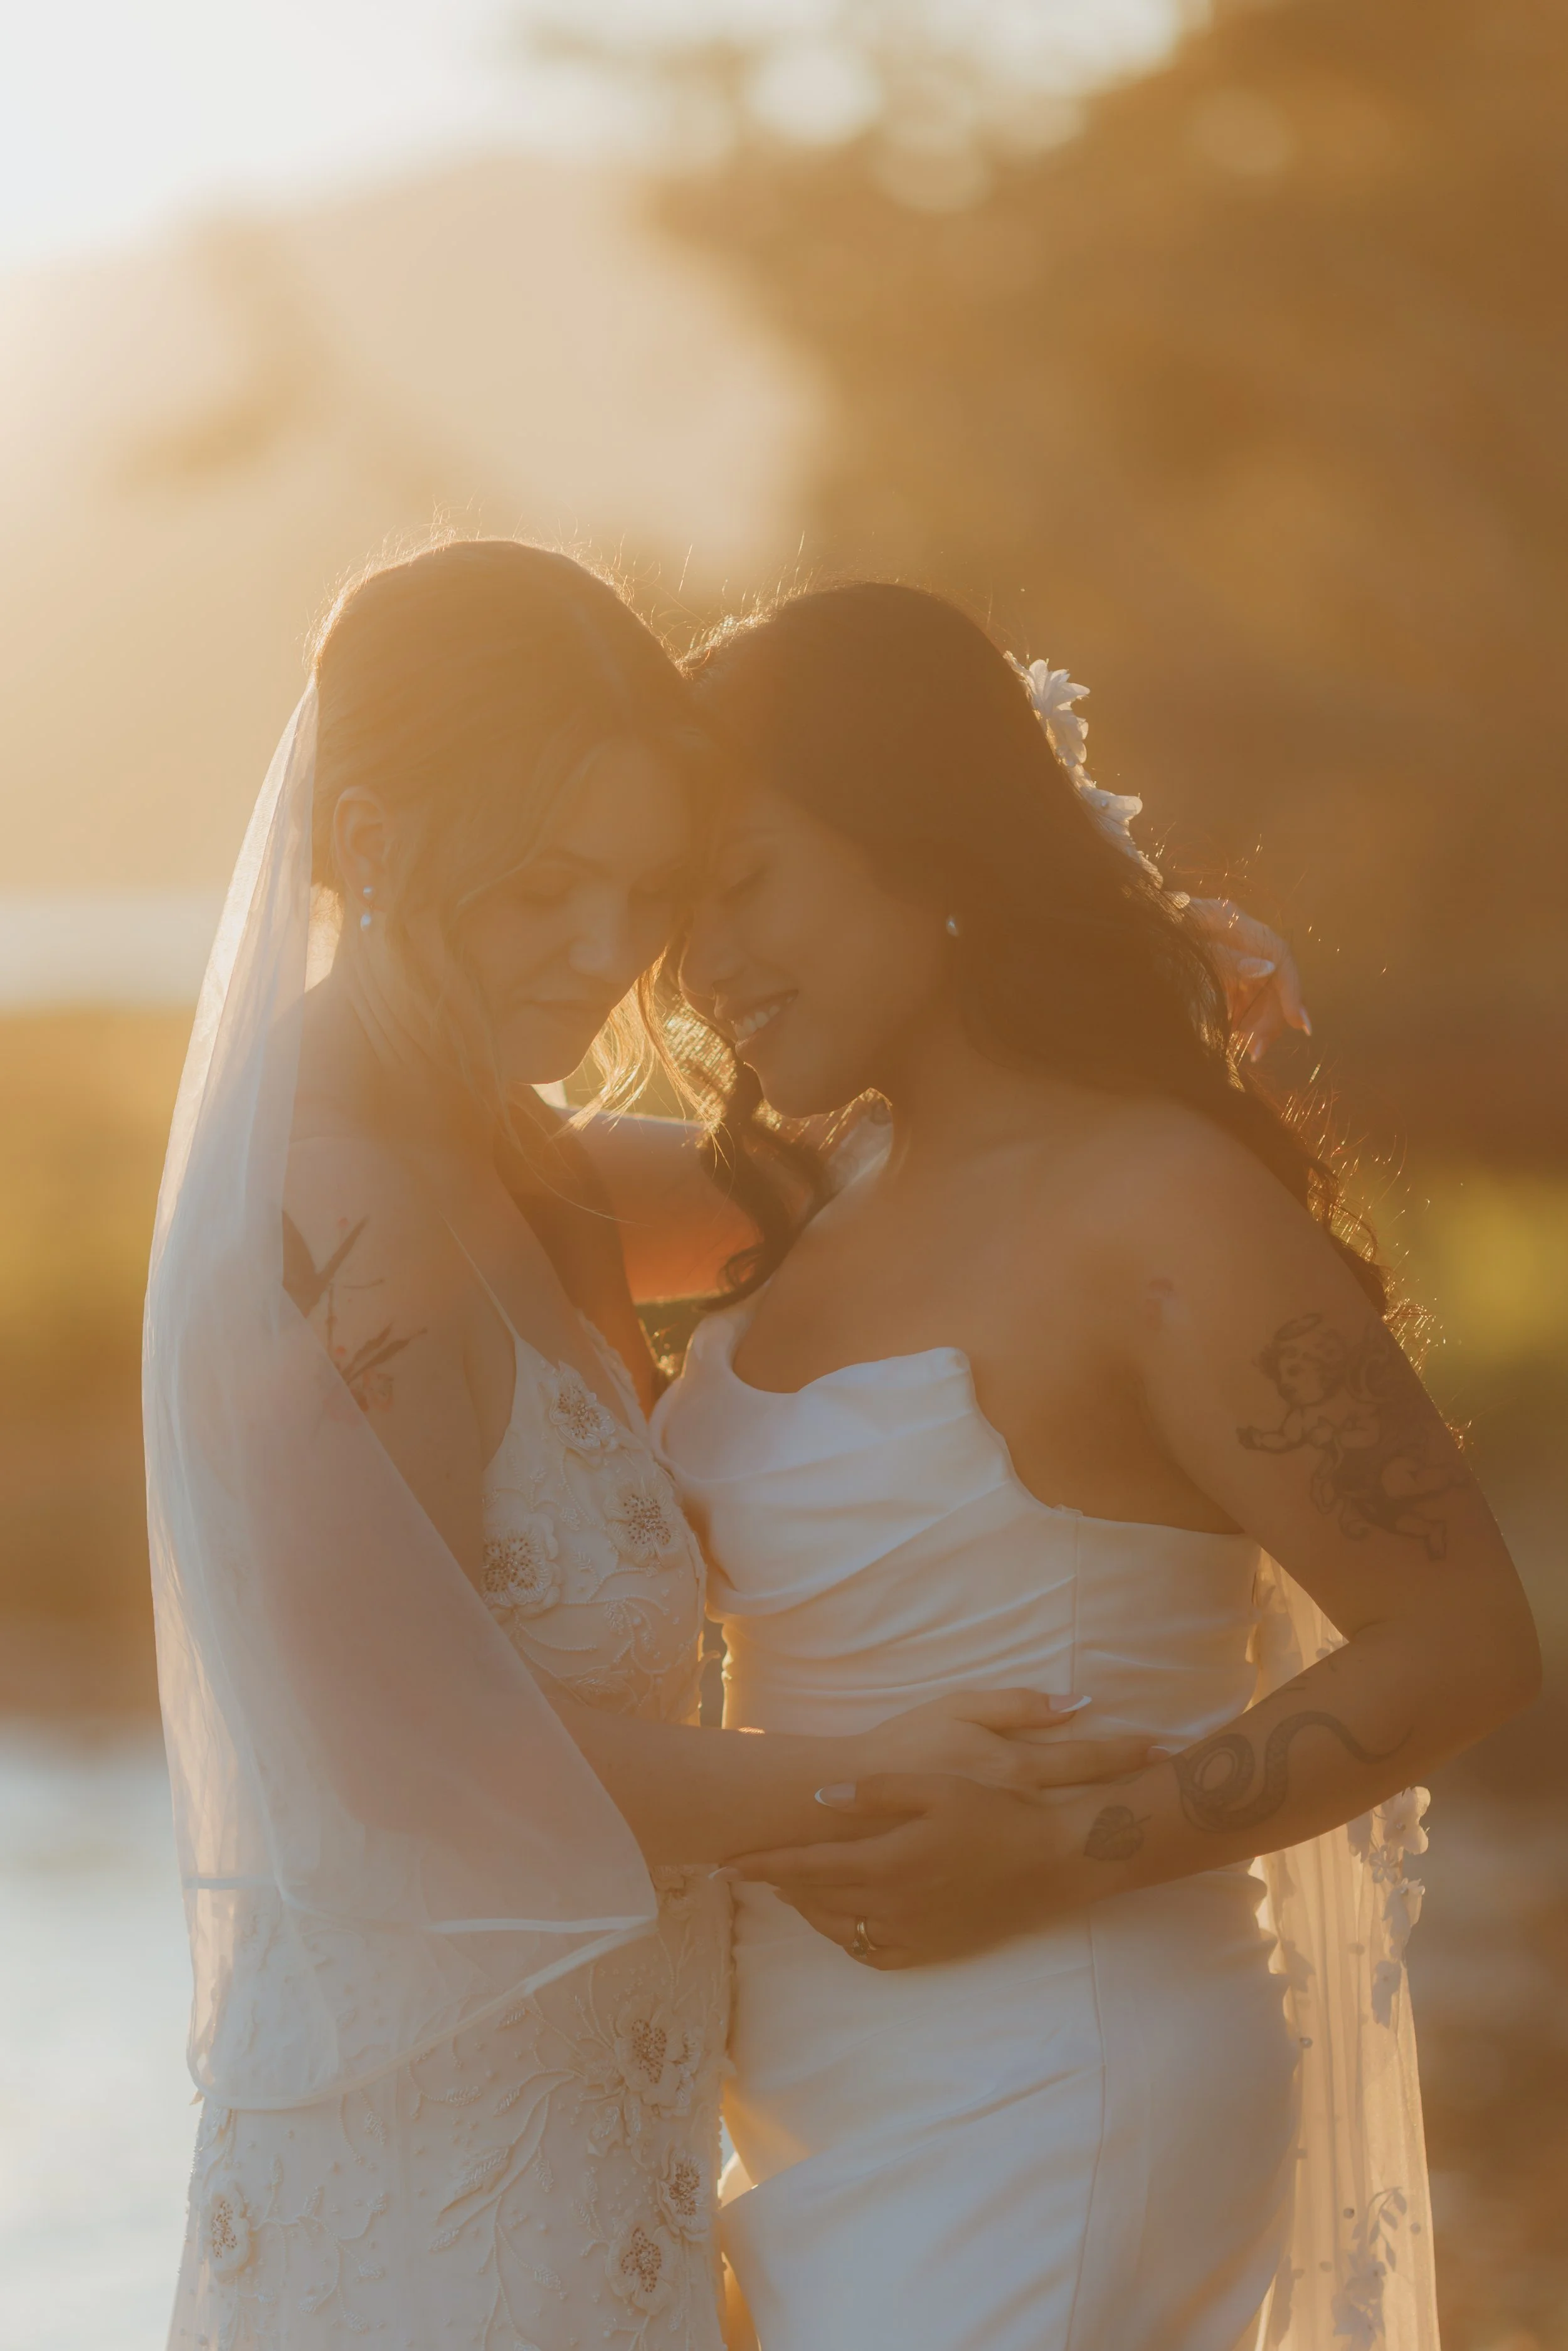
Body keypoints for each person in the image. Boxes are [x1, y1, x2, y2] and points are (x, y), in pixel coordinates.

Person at [148, 544, 1121, 2351]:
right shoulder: (321, 1225)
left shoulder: (509, 1162)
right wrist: (856, 1773)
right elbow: (414, 1773)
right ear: (365, 837)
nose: (606, 958)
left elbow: (852, 1186)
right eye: (541, 890)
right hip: (433, 2205)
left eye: (646, 891)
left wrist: (1115, 976)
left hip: (606, 2160)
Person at [630, 583, 1542, 2351]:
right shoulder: (824, 1195)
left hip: (1062, 2067)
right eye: (675, 918)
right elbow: (427, 1170)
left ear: (921, 836)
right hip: (821, 2100)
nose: (702, 967)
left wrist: (1072, 1847)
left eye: (744, 884)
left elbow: (1460, 1642)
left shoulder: (1155, 1200)